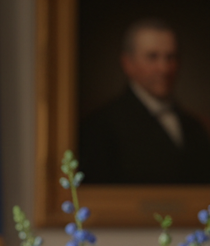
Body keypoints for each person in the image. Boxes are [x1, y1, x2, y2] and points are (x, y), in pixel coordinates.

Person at [78, 18, 210, 185]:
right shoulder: (100, 127)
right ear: (127, 63)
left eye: (170, 57)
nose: (164, 68)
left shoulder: (194, 127)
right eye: (152, 57)